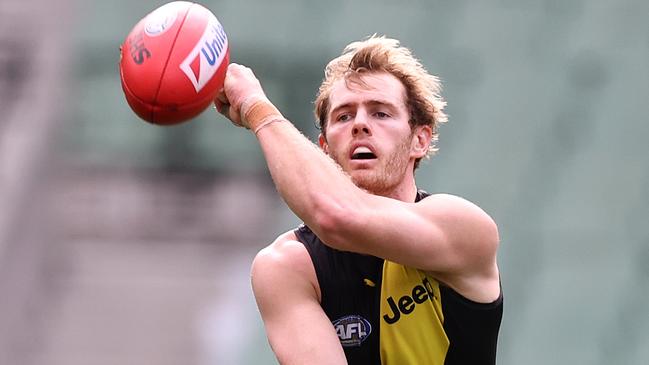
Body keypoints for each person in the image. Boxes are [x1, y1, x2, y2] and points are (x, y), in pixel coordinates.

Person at [214, 35, 503, 365]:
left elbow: (339, 217)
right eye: (343, 116)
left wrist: (257, 108)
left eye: (381, 113)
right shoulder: (289, 267)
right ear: (322, 148)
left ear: (419, 140)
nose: (360, 125)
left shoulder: (463, 228)